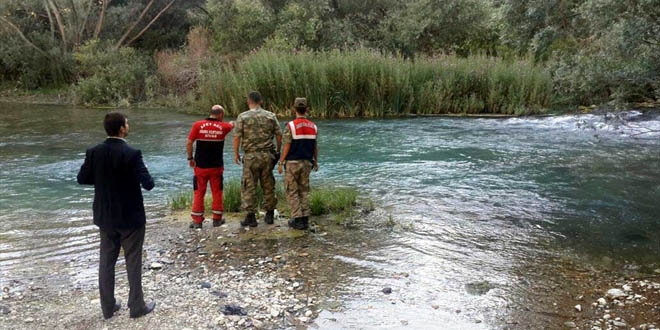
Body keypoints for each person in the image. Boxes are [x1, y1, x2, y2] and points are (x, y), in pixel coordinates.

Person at [77, 112, 156, 319]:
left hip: (106, 216)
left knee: (106, 262)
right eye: (127, 123)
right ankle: (137, 306)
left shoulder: (94, 152)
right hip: (131, 217)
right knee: (133, 261)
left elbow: (82, 179)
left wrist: (104, 180)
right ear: (122, 128)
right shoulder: (133, 153)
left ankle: (108, 307)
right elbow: (148, 184)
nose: (128, 126)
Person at [233, 91, 282, 227]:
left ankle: (251, 216)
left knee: (249, 186)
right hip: (267, 155)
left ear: (249, 101)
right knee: (268, 185)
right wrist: (278, 151)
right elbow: (279, 135)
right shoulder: (270, 116)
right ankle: (270, 214)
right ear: (261, 101)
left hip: (250, 156)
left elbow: (237, 136)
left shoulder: (242, 117)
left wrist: (236, 153)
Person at [186, 105, 234, 229]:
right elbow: (232, 125)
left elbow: (189, 142)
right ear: (221, 115)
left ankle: (197, 221)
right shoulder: (224, 127)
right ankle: (217, 219)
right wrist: (232, 123)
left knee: (198, 192)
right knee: (217, 192)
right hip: (216, 167)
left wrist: (190, 158)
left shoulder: (197, 125)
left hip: (200, 166)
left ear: (210, 113)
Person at [277, 98, 318, 230]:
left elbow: (287, 145)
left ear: (294, 109)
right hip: (307, 162)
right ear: (306, 109)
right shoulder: (313, 126)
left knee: (292, 191)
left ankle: (297, 219)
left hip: (293, 163)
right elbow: (315, 146)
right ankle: (305, 218)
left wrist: (281, 161)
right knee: (304, 191)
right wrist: (315, 161)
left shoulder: (291, 126)